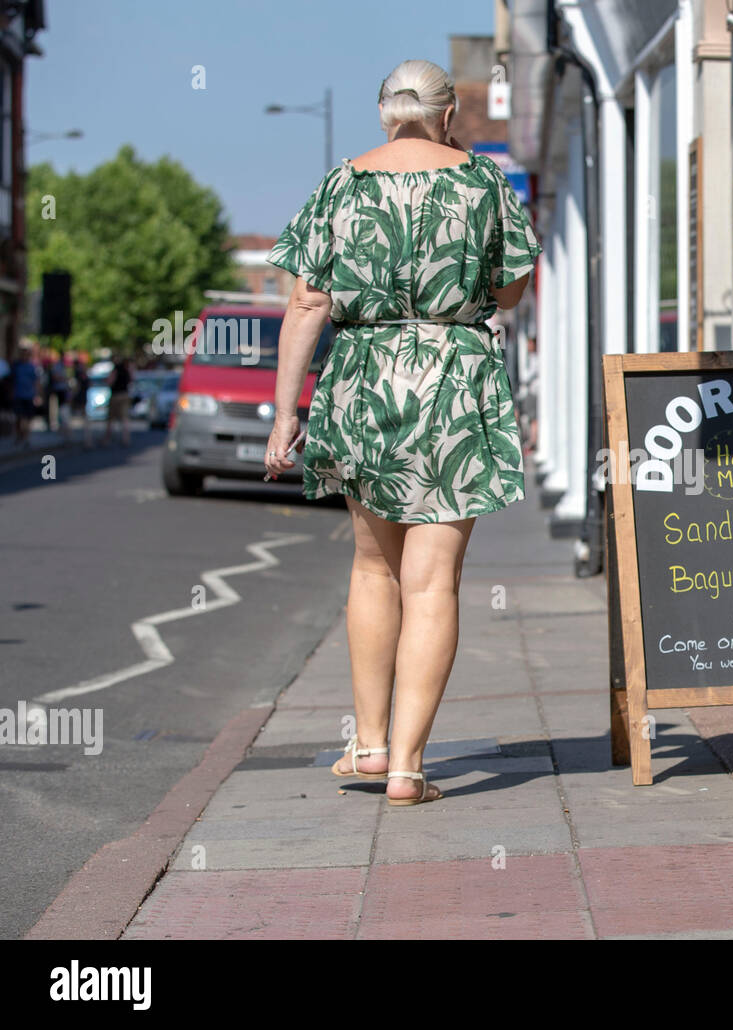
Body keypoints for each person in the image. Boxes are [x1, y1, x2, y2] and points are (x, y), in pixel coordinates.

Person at [264, 59, 541, 806]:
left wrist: (287, 413)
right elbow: (512, 289)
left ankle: (369, 741)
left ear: (384, 115)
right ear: (449, 115)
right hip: (453, 380)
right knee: (432, 582)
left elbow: (305, 304)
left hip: (363, 378)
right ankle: (409, 769)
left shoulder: (340, 184)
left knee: (371, 571)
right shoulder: (484, 183)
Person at [10, 345, 39, 448]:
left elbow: (35, 381)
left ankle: (26, 438)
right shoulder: (16, 366)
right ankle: (20, 436)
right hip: (18, 395)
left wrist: (37, 395)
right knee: (19, 418)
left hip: (28, 395)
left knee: (27, 418)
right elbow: (12, 381)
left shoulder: (31, 367)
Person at [104, 352, 134, 446]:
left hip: (116, 395)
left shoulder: (115, 369)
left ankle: (107, 439)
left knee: (111, 418)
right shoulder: (126, 369)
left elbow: (110, 381)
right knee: (125, 418)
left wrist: (107, 381)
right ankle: (126, 438)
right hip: (125, 394)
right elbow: (132, 379)